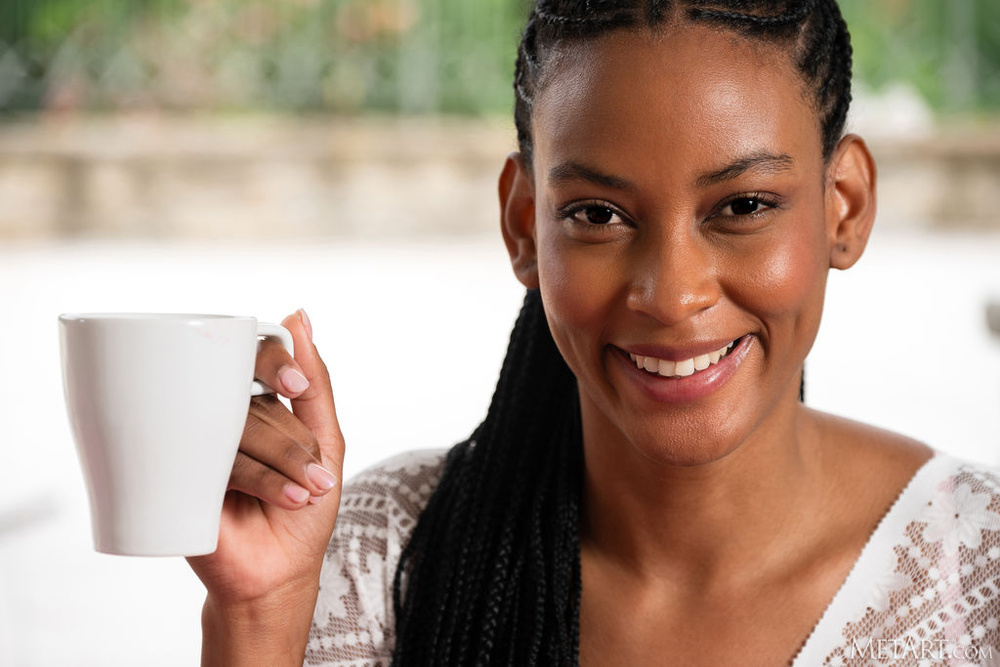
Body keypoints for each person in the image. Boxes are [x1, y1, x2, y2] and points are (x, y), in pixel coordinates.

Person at [189, 1, 1000, 665]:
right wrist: (258, 615)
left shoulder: (979, 576)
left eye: (744, 206)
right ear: (522, 225)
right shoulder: (375, 562)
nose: (673, 295)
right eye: (598, 215)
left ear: (844, 207)